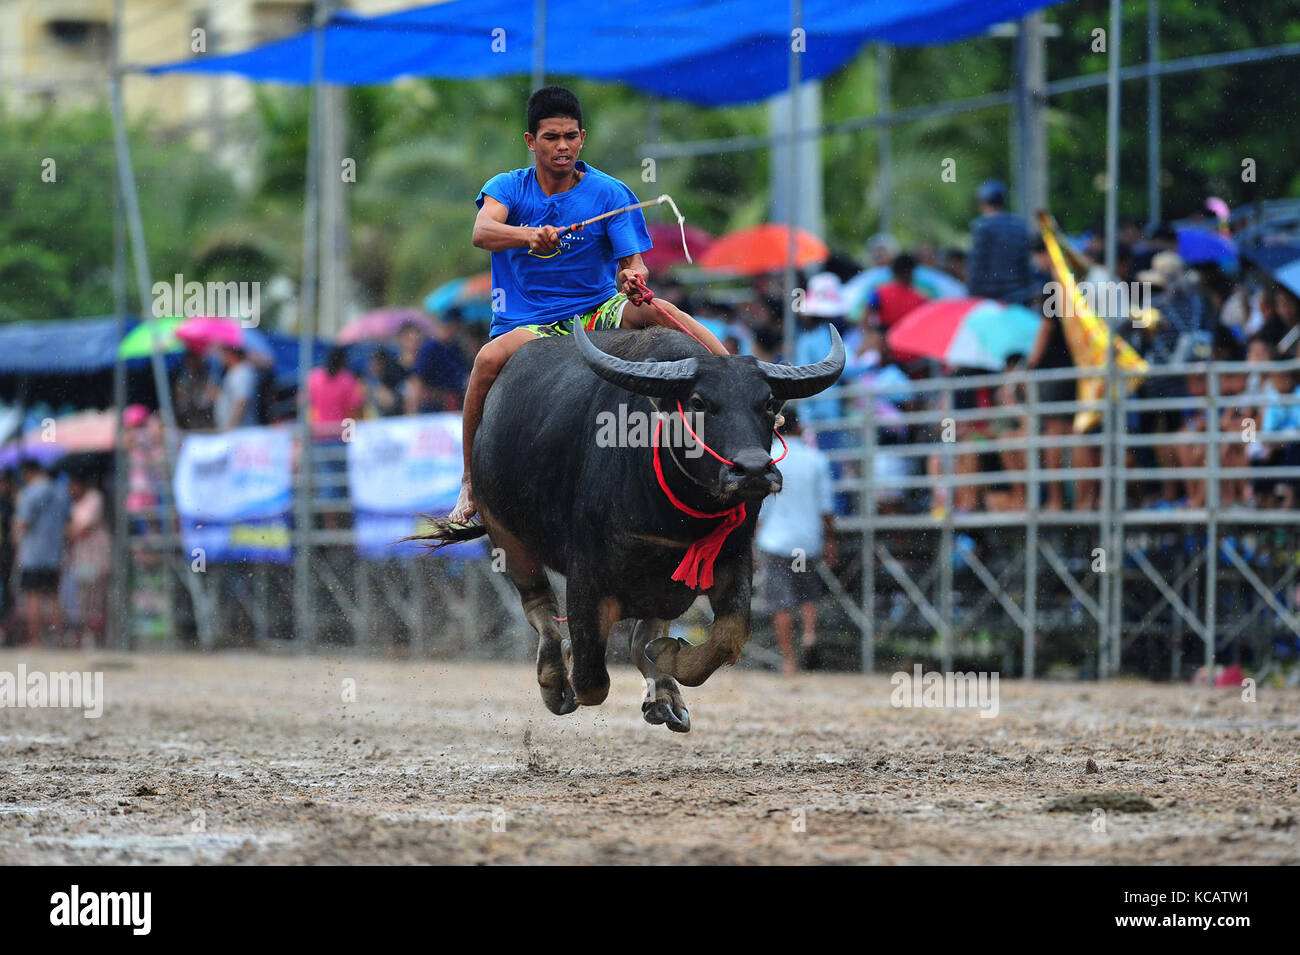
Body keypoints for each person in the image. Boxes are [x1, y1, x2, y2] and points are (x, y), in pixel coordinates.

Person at [448, 85, 728, 523]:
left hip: (598, 309)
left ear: (583, 137)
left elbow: (632, 263)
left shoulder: (610, 193)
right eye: (550, 137)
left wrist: (634, 279)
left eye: (570, 136)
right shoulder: (507, 188)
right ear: (530, 142)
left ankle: (736, 379)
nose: (562, 146)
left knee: (661, 311)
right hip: (531, 321)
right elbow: (482, 232)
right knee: (486, 360)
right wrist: (528, 235)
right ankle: (469, 481)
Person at [755, 408, 836, 675]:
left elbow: (761, 508)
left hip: (775, 540)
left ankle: (789, 661)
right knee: (807, 592)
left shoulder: (768, 459)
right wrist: (831, 539)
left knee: (781, 602)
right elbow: (826, 506)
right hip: (806, 540)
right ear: (800, 428)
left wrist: (752, 541)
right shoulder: (816, 459)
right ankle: (810, 633)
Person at [13, 460, 69, 647]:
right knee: (54, 596)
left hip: (33, 554)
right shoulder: (60, 492)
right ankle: (60, 640)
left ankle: (36, 640)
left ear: (27, 473)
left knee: (33, 595)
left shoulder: (30, 493)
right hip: (54, 553)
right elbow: (68, 522)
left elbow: (23, 523)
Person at [967, 179, 1033, 305]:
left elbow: (976, 268)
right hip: (1019, 298)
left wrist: (971, 298)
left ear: (983, 202)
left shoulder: (981, 226)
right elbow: (1025, 265)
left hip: (991, 301)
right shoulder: (1019, 226)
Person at [65, 473, 111, 649]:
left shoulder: (94, 498)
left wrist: (71, 531)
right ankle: (84, 635)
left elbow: (81, 528)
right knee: (82, 599)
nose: (71, 490)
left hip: (96, 556)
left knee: (97, 598)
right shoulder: (76, 502)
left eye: (73, 485)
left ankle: (98, 638)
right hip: (82, 556)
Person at [866, 252, 928, 329]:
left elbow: (866, 319)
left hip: (883, 336)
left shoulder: (879, 292)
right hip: (907, 337)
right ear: (909, 272)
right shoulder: (921, 297)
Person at [214, 345, 260, 431]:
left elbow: (241, 402)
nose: (219, 357)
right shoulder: (233, 371)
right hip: (233, 431)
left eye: (221, 353)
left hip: (240, 431)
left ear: (230, 353)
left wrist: (230, 427)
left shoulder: (242, 372)